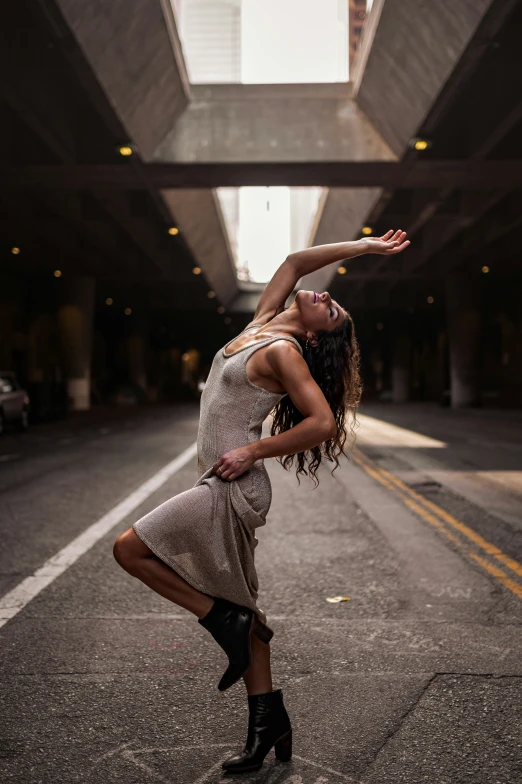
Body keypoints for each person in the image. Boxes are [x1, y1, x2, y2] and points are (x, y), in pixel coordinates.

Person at [113, 229, 410, 773]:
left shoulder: (283, 350)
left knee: (128, 550)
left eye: (333, 308)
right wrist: (363, 249)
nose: (325, 295)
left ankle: (220, 620)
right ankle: (267, 718)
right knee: (245, 609)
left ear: (319, 339)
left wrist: (255, 449)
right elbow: (296, 261)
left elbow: (321, 422)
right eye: (329, 294)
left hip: (231, 489)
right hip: (219, 481)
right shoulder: (262, 324)